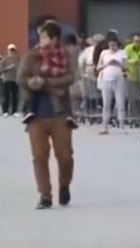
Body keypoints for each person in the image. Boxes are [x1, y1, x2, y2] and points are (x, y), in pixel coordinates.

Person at [19, 21, 78, 209]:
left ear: (54, 38)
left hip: (60, 112)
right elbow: (21, 78)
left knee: (65, 156)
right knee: (39, 156)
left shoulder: (65, 55)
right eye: (40, 36)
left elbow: (70, 77)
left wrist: (46, 82)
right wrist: (32, 82)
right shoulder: (31, 56)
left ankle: (64, 185)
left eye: (44, 36)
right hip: (36, 113)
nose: (41, 40)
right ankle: (45, 194)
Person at [96, 35, 127, 134]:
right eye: (110, 45)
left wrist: (119, 64)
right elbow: (98, 67)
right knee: (106, 104)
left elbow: (126, 67)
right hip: (106, 79)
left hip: (118, 79)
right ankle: (105, 126)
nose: (112, 47)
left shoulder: (122, 53)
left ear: (117, 44)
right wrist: (107, 64)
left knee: (120, 103)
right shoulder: (104, 53)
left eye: (114, 45)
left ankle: (122, 126)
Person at [2, 44, 21, 117]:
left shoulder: (18, 59)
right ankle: (5, 111)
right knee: (6, 96)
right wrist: (8, 68)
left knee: (15, 96)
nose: (12, 52)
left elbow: (21, 67)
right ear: (8, 51)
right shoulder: (5, 59)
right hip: (7, 79)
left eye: (13, 50)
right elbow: (1, 69)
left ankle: (14, 111)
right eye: (10, 50)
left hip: (15, 79)